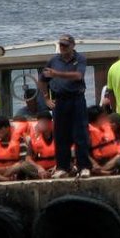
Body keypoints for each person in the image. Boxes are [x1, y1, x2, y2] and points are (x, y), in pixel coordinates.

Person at [38, 34, 92, 178]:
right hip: (59, 101)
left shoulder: (79, 59)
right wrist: (46, 99)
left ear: (73, 46)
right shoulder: (53, 60)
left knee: (80, 134)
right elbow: (42, 80)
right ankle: (62, 167)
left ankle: (83, 167)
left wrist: (57, 74)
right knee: (61, 135)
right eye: (61, 45)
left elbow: (78, 76)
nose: (62, 48)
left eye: (65, 45)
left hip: (76, 99)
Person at [0, 116, 38, 182]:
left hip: (13, 170)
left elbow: (23, 160)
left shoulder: (19, 139)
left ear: (7, 128)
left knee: (20, 165)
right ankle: (5, 179)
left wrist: (7, 169)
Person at [87, 105, 120, 174]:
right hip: (96, 161)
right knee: (83, 162)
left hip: (113, 159)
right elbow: (84, 152)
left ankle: (103, 171)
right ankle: (106, 172)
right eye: (102, 117)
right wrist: (95, 164)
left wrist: (116, 157)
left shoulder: (109, 126)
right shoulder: (86, 131)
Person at [26, 112, 57, 179]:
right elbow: (28, 159)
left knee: (68, 166)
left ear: (50, 123)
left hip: (56, 168)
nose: (42, 124)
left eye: (44, 122)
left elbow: (66, 155)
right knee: (23, 166)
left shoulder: (59, 137)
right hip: (39, 170)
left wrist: (58, 166)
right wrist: (39, 168)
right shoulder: (34, 139)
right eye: (40, 122)